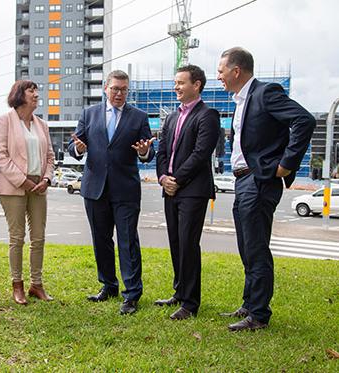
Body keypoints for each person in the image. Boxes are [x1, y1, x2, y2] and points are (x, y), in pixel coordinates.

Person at [216, 47, 315, 331]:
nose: (218, 76)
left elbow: (304, 120)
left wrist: (286, 164)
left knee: (256, 247)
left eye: (221, 71)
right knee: (246, 246)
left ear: (236, 71)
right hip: (242, 181)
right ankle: (249, 304)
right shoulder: (240, 101)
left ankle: (259, 315)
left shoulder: (265, 93)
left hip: (259, 180)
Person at [68, 70, 155, 315]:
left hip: (125, 189)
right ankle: (108, 285)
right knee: (101, 240)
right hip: (95, 188)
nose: (119, 93)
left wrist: (143, 152)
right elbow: (75, 145)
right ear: (106, 88)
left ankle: (132, 294)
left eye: (124, 89)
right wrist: (77, 148)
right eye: (115, 88)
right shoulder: (89, 114)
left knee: (128, 242)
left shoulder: (138, 117)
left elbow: (148, 151)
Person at [155, 65, 220, 320]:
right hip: (169, 189)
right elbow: (162, 151)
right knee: (175, 241)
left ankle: (190, 303)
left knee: (188, 244)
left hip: (193, 190)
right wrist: (163, 178)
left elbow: (201, 153)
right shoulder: (171, 117)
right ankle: (179, 292)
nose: (176, 87)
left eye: (181, 83)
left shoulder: (208, 115)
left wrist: (177, 179)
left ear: (197, 85)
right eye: (175, 83)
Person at [0, 80, 55, 305]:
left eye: (36, 91)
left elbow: (49, 156)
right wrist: (24, 181)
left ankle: (36, 285)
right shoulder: (5, 120)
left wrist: (47, 178)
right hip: (13, 187)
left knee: (38, 237)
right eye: (31, 90)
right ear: (19, 95)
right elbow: (1, 156)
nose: (36, 94)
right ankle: (17, 285)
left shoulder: (42, 124)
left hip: (40, 185)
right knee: (17, 238)